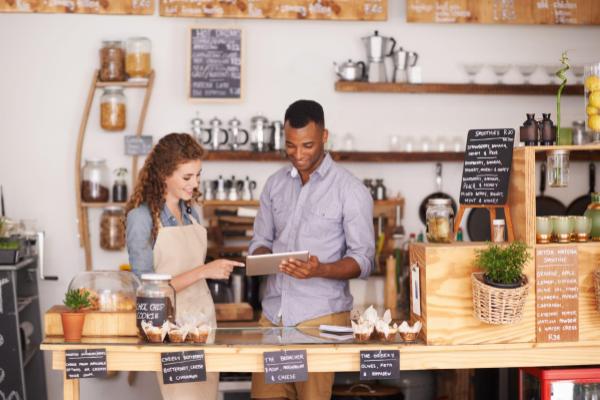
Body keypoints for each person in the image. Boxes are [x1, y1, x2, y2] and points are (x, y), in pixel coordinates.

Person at [249, 100, 375, 400]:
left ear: (324, 136)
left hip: (320, 322)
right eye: (290, 146)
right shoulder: (275, 185)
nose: (298, 154)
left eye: (307, 145)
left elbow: (364, 260)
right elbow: (259, 241)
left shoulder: (350, 190)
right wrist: (264, 257)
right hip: (273, 320)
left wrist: (320, 269)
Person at [125, 133, 243, 400]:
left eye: (198, 175)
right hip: (172, 330)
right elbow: (147, 293)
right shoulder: (142, 218)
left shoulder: (191, 213)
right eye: (187, 177)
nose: (195, 184)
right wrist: (205, 271)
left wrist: (209, 270)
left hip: (203, 324)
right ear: (164, 175)